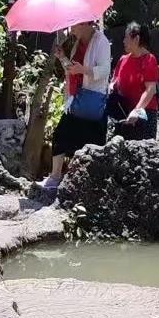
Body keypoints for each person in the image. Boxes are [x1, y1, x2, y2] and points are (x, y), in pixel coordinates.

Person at [40, 20, 111, 191]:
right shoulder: (77, 44)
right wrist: (62, 57)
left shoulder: (101, 41)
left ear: (84, 24)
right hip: (75, 100)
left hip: (92, 101)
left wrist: (83, 70)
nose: (71, 29)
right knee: (60, 135)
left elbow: (104, 71)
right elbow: (72, 70)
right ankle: (55, 177)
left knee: (91, 145)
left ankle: (87, 183)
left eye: (73, 25)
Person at [110, 22, 159, 140]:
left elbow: (150, 90)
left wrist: (137, 111)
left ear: (136, 39)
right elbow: (114, 80)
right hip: (124, 113)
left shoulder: (149, 60)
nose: (123, 41)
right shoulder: (123, 60)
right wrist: (112, 86)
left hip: (144, 115)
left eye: (126, 37)